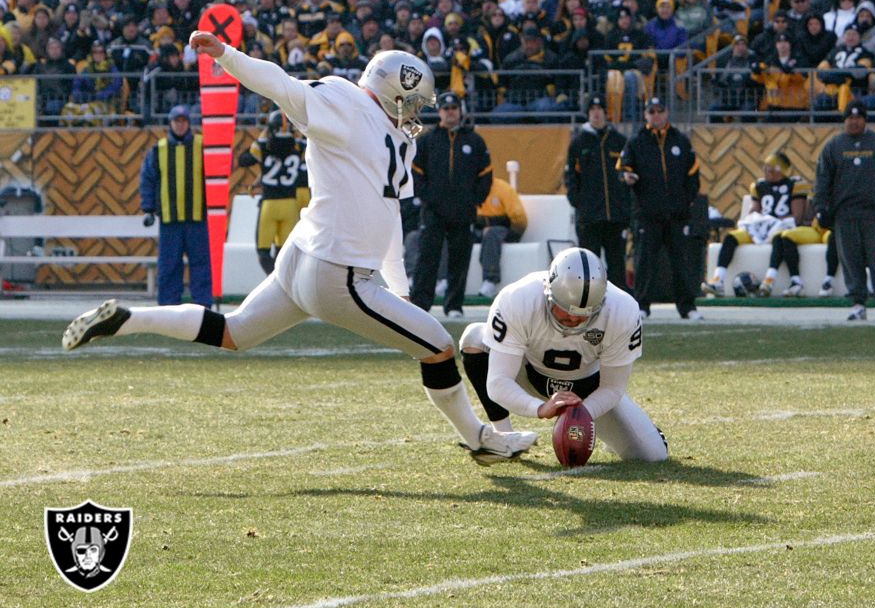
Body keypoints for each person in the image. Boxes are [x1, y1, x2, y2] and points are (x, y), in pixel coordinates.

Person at [62, 34, 538, 466]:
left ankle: (131, 318)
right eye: (412, 103)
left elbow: (389, 216)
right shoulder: (345, 103)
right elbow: (281, 85)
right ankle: (480, 440)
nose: (416, 113)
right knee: (437, 347)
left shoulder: (398, 140)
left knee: (234, 332)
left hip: (304, 257)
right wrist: (227, 56)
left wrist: (401, 291)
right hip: (339, 273)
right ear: (395, 95)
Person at [457, 247, 668, 462]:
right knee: (474, 338)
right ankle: (504, 439)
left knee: (653, 456)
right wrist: (539, 408)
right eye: (566, 311)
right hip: (530, 376)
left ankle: (616, 435)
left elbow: (612, 387)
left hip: (589, 390)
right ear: (549, 292)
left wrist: (578, 416)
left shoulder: (622, 309)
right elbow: (498, 382)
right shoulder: (518, 298)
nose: (574, 320)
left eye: (585, 315)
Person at [812, 99, 875, 321]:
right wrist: (821, 207)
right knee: (850, 260)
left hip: (874, 213)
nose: (854, 122)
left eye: (858, 118)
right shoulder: (833, 147)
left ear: (865, 120)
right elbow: (823, 180)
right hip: (844, 214)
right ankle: (857, 303)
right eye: (850, 118)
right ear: (844, 120)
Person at [409, 91, 493, 317]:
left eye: (454, 108)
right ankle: (420, 305)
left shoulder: (474, 141)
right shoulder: (427, 140)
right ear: (439, 112)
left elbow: (485, 174)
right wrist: (428, 197)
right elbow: (416, 173)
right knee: (427, 258)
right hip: (433, 212)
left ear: (460, 110)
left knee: (459, 260)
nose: (450, 112)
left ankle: (454, 305)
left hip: (463, 212)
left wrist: (474, 200)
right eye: (446, 109)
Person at [617, 96, 702, 320]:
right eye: (651, 112)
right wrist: (627, 177)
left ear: (667, 113)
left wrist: (685, 201)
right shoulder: (636, 141)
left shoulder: (680, 140)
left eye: (660, 111)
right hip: (647, 214)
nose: (656, 115)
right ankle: (642, 306)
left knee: (680, 263)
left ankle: (687, 307)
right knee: (644, 262)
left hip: (676, 215)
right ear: (646, 115)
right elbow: (623, 168)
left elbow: (693, 175)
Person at [701, 152, 809, 297]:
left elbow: (797, 217)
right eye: (765, 167)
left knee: (779, 239)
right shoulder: (759, 186)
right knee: (731, 237)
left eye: (769, 168)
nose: (765, 171)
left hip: (781, 225)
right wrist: (752, 221)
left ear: (779, 170)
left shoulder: (795, 185)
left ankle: (769, 281)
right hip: (762, 226)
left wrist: (774, 222)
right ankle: (718, 281)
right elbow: (753, 211)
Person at [139, 105, 212, 307]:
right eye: (176, 121)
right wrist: (148, 209)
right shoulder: (159, 149)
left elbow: (215, 176)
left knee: (201, 264)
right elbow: (148, 180)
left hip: (197, 218)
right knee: (169, 265)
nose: (180, 125)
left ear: (188, 123)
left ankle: (203, 306)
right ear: (170, 123)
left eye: (183, 121)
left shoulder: (202, 146)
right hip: (170, 219)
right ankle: (168, 306)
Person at [565, 95, 631, 292]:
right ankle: (589, 304)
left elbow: (628, 172)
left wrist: (624, 204)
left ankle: (619, 306)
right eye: (592, 109)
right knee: (590, 267)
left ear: (605, 112)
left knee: (617, 264)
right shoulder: (578, 143)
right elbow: (571, 177)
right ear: (587, 113)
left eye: (599, 108)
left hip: (616, 216)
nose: (596, 112)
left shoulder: (619, 141)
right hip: (590, 217)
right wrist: (579, 202)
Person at [237, 110, 304, 274]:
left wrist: (263, 137)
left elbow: (244, 160)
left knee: (263, 251)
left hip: (270, 204)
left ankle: (272, 280)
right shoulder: (299, 146)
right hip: (290, 204)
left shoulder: (263, 145)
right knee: (283, 252)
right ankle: (281, 283)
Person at [475, 177, 527, 298]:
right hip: (478, 227)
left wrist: (513, 235)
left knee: (491, 234)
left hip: (503, 228)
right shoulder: (468, 187)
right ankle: (443, 279)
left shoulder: (502, 189)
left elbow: (519, 219)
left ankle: (490, 280)